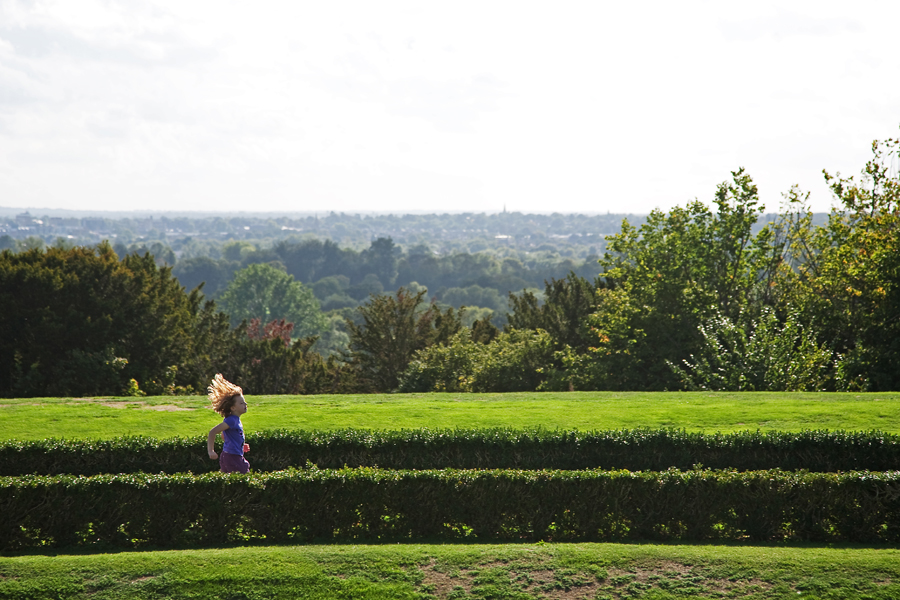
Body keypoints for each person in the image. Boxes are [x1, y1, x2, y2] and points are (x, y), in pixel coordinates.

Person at [207, 373, 251, 474]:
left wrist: (239, 445)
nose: (245, 404)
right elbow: (212, 432)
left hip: (229, 456)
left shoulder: (234, 420)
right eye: (241, 403)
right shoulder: (231, 420)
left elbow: (224, 436)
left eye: (244, 402)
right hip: (232, 457)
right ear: (233, 408)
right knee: (246, 479)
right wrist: (211, 451)